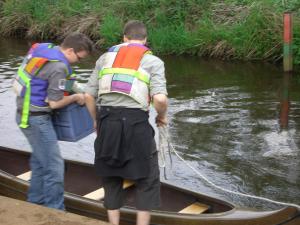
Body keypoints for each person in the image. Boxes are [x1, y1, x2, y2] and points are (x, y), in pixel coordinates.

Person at [84, 20, 168, 225]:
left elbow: (88, 95)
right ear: (145, 40)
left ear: (124, 38)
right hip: (136, 124)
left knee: (111, 176)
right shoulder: (153, 62)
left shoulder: (105, 58)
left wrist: (96, 121)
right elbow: (160, 99)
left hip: (107, 122)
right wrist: (162, 116)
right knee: (146, 178)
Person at [13, 32, 94, 210]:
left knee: (40, 161)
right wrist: (75, 98)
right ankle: (55, 209)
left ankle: (35, 202)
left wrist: (79, 89)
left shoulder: (45, 48)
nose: (78, 63)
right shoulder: (59, 67)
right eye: (79, 59)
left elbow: (49, 80)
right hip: (37, 120)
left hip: (23, 114)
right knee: (55, 166)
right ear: (71, 50)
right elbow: (54, 103)